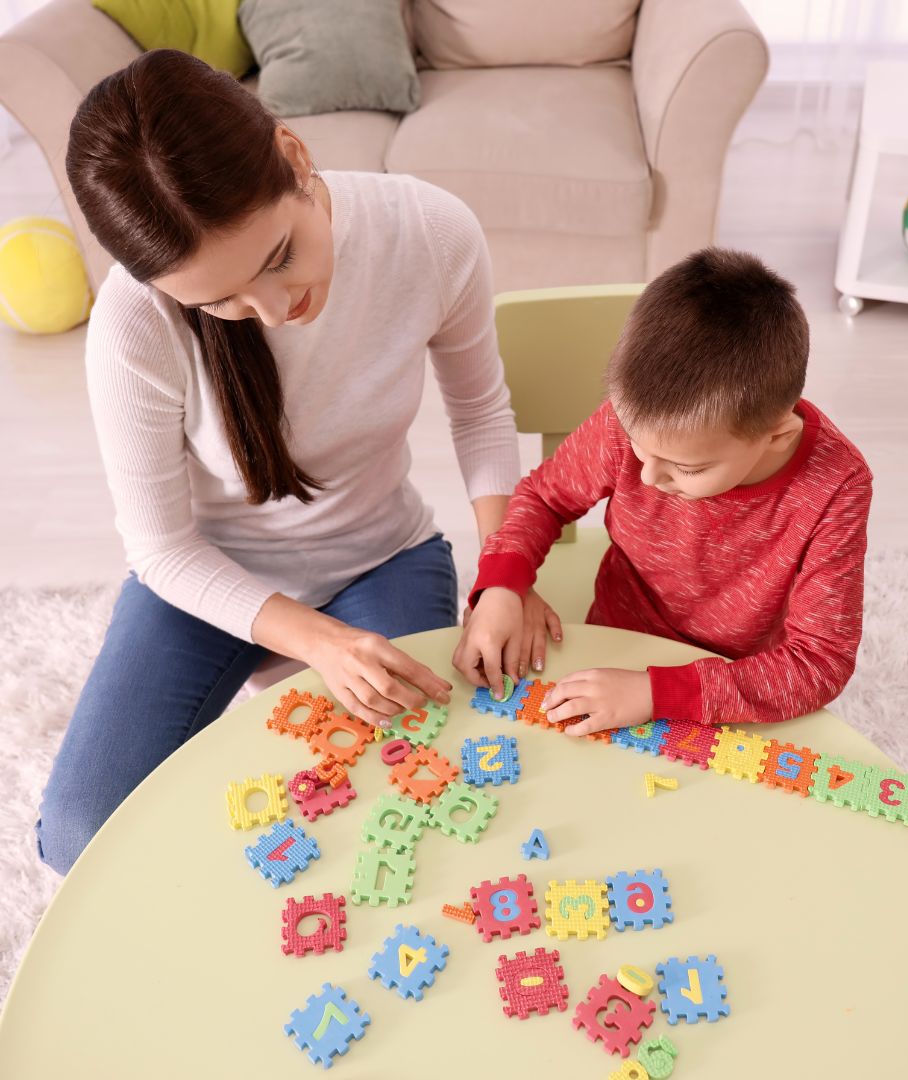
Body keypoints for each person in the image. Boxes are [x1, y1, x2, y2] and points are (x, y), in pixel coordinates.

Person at [36, 49, 559, 875]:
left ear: (295, 157)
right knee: (79, 834)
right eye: (222, 301)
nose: (275, 311)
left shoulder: (429, 231)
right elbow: (163, 550)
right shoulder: (134, 324)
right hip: (211, 584)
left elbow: (482, 415)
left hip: (381, 556)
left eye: (278, 256)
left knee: (422, 801)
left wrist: (505, 571)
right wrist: (316, 641)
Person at [453, 247, 872, 735]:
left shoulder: (836, 486)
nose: (647, 477)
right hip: (616, 635)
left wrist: (658, 693)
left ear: (775, 435)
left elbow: (818, 662)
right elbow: (545, 497)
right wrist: (503, 584)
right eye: (636, 446)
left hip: (734, 681)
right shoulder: (633, 422)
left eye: (686, 468)